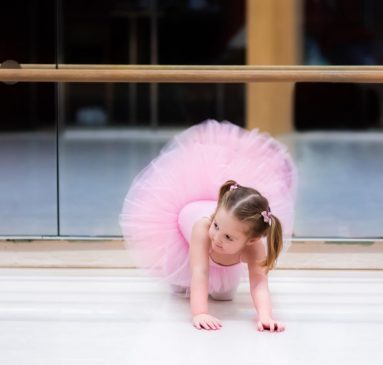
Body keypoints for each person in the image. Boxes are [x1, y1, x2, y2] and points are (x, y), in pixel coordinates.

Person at [119, 119, 297, 332]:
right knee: (182, 287)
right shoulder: (204, 230)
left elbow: (259, 283)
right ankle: (183, 277)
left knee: (224, 295)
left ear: (251, 240)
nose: (217, 238)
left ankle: (225, 251)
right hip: (185, 224)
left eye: (229, 237)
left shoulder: (255, 247)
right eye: (217, 226)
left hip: (228, 233)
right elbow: (200, 272)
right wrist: (200, 312)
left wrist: (266, 316)